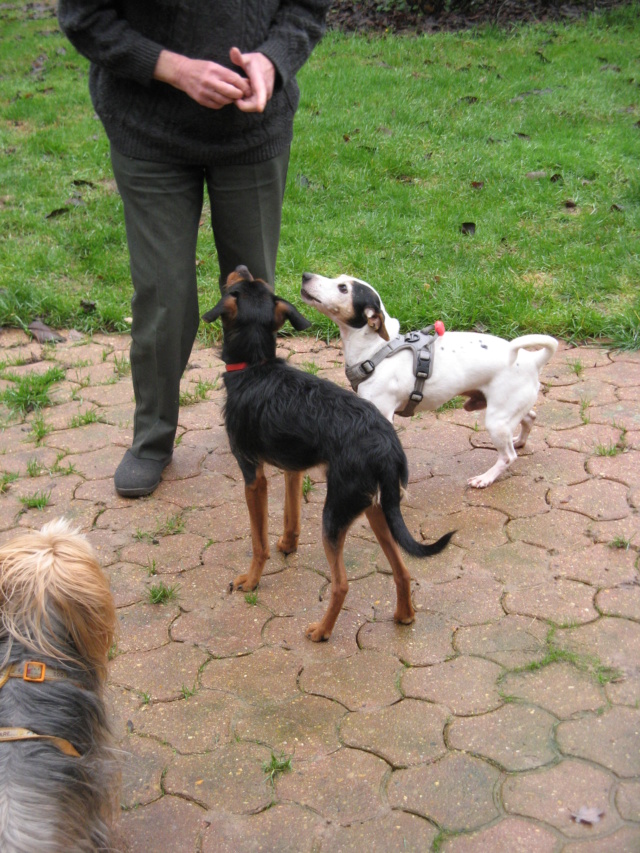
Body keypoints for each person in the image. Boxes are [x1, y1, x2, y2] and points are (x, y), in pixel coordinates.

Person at [57, 0, 331, 497]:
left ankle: (261, 427)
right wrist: (175, 69)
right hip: (148, 131)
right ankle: (152, 439)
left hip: (253, 129)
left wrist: (272, 58)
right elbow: (85, 17)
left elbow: (306, 8)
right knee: (165, 295)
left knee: (255, 300)